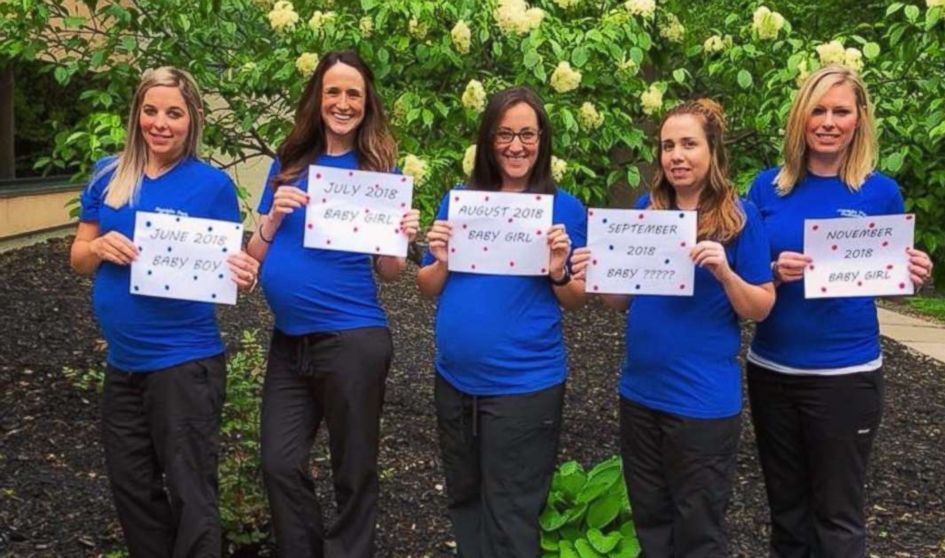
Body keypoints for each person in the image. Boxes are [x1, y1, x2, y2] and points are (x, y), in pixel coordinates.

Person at [571, 98, 775, 557]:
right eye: (667, 146)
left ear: (713, 151)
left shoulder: (740, 219)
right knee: (651, 524)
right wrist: (595, 273)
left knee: (698, 531)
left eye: (688, 144)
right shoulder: (646, 210)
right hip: (641, 395)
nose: (676, 156)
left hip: (701, 403)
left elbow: (761, 306)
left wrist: (725, 273)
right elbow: (620, 302)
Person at [745, 65, 934, 557]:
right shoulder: (767, 189)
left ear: (859, 120)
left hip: (846, 374)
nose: (828, 122)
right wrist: (771, 267)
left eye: (841, 111)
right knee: (786, 515)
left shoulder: (879, 192)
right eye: (819, 110)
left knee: (838, 517)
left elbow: (890, 285)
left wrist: (913, 274)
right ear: (801, 118)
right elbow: (746, 279)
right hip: (772, 370)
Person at [69, 66, 259, 557]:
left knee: (192, 492)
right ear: (137, 115)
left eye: (173, 113)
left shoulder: (211, 186)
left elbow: (226, 263)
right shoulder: (108, 175)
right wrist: (99, 248)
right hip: (123, 364)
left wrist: (243, 270)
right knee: (132, 490)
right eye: (150, 111)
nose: (160, 123)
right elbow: (78, 256)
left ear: (192, 118)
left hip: (184, 363)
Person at [244, 51, 419, 558]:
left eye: (354, 94)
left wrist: (401, 236)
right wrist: (272, 218)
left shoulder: (378, 173)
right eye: (333, 93)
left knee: (353, 468)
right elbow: (253, 261)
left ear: (367, 105)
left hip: (352, 341)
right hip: (289, 342)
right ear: (317, 100)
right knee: (278, 461)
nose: (343, 103)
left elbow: (389, 273)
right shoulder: (288, 164)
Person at [416, 86, 587, 557]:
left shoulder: (564, 208)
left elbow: (576, 299)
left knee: (512, 514)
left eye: (527, 134)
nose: (516, 145)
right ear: (489, 140)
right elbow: (427, 285)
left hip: (524, 388)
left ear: (542, 140)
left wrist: (558, 268)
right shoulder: (461, 202)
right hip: (454, 383)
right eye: (505, 134)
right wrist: (440, 258)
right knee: (464, 501)